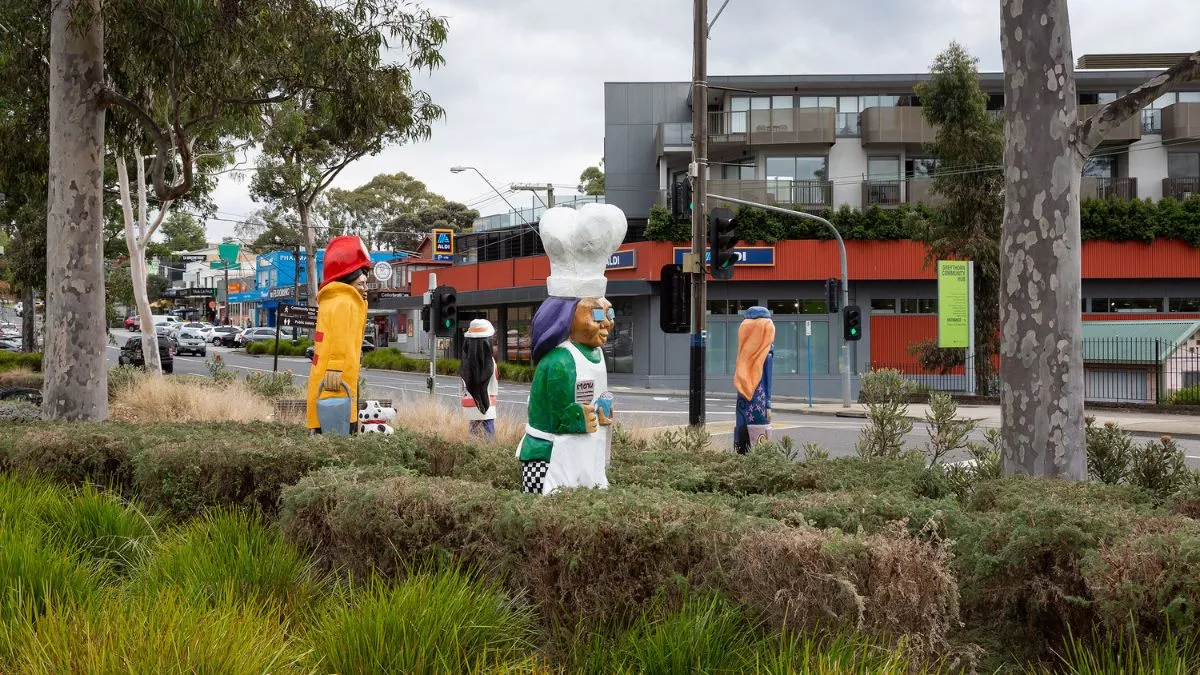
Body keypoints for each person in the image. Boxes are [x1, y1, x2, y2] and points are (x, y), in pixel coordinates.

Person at [515, 203, 626, 495]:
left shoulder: (596, 354)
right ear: (567, 317)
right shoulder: (559, 360)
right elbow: (558, 413)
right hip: (550, 455)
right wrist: (578, 416)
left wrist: (601, 412)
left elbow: (594, 396)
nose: (607, 323)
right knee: (552, 501)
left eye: (610, 313)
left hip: (586, 453)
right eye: (597, 314)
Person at [305, 236, 372, 434]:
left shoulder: (335, 300)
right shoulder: (345, 303)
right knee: (338, 426)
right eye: (361, 284)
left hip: (331, 376)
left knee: (325, 423)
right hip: (336, 379)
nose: (365, 288)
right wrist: (335, 369)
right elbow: (339, 340)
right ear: (348, 279)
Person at [733, 306, 775, 454]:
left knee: (742, 429)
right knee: (759, 434)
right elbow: (768, 384)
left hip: (743, 403)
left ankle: (740, 453)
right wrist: (768, 404)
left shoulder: (743, 358)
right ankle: (757, 459)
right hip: (759, 404)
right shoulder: (766, 357)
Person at [459, 319, 498, 438]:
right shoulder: (488, 361)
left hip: (469, 403)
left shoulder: (465, 361)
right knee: (488, 437)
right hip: (487, 405)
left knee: (473, 436)